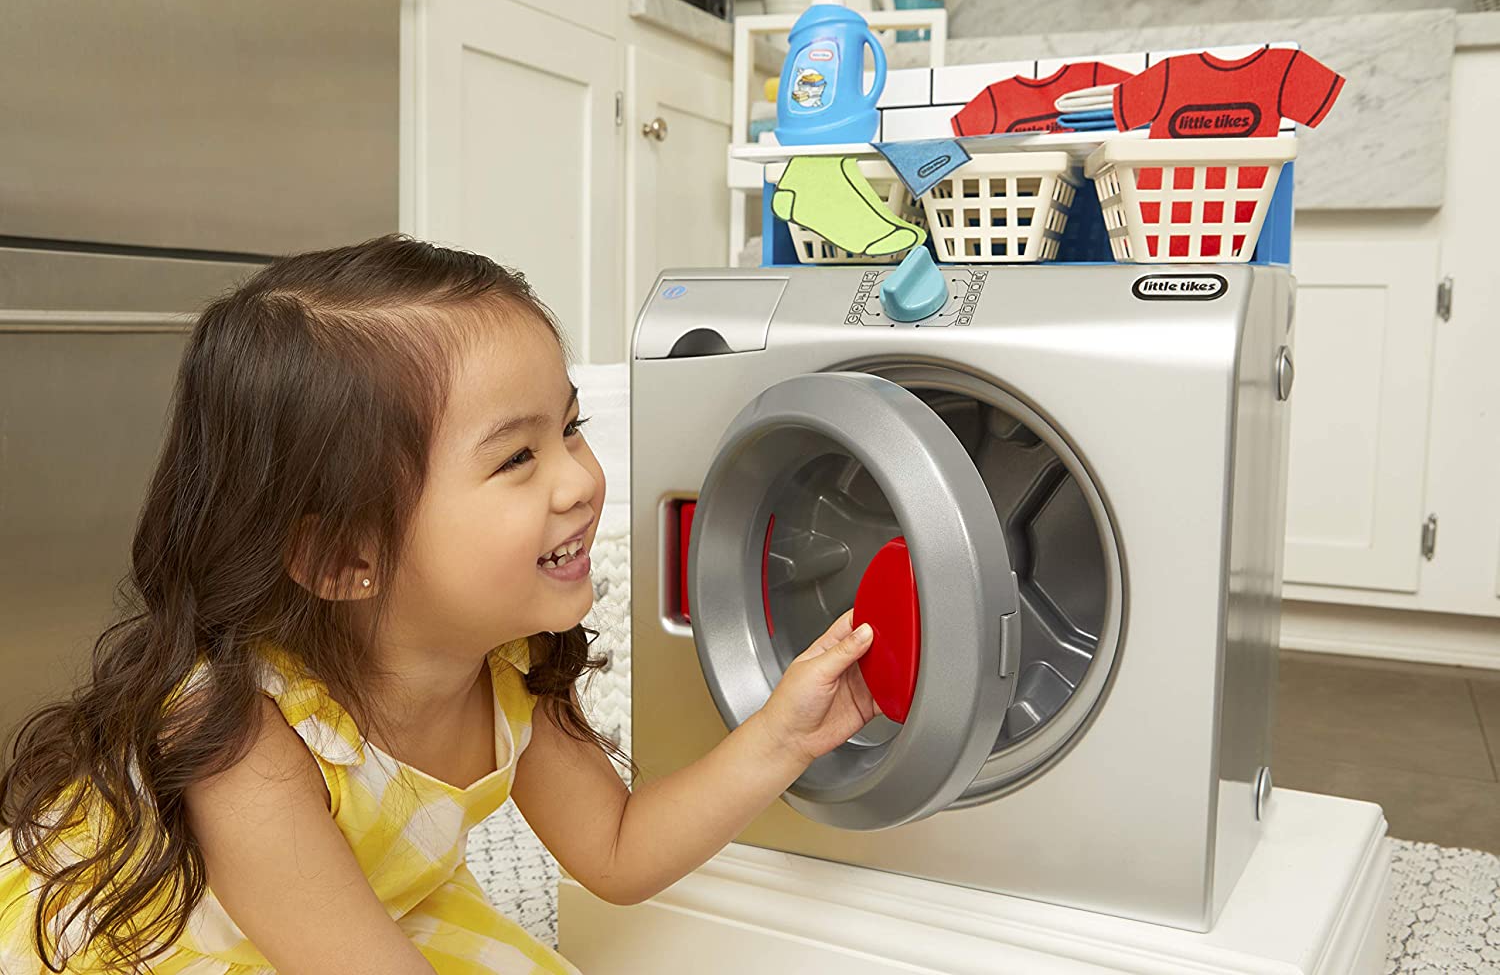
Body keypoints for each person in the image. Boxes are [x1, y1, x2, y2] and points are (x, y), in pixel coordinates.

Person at [0, 235, 878, 974]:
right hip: (153, 945)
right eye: (515, 460)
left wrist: (782, 736)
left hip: (358, 922)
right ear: (346, 556)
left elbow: (615, 851)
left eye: (569, 427)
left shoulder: (505, 661)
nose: (580, 481)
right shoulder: (244, 743)